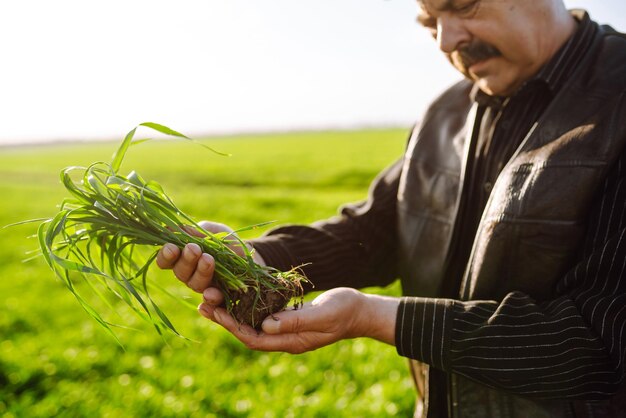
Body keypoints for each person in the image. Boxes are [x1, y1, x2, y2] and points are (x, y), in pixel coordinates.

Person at [156, 0, 626, 416]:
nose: (447, 40)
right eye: (429, 21)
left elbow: (598, 344)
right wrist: (257, 259)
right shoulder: (446, 112)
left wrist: (376, 317)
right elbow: (377, 231)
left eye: (463, 6)